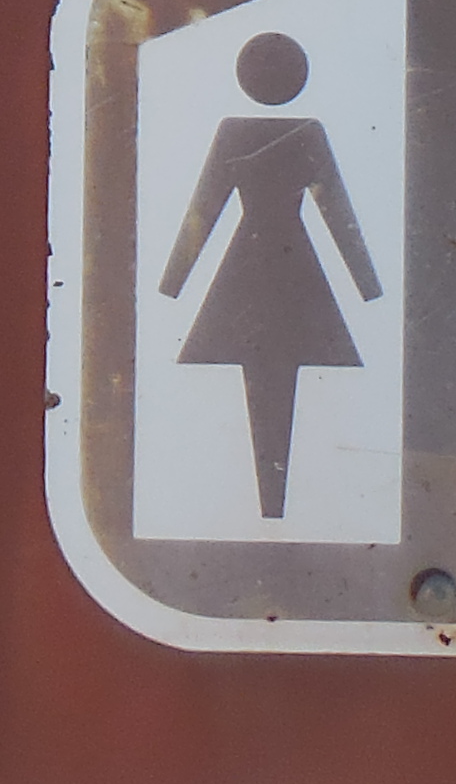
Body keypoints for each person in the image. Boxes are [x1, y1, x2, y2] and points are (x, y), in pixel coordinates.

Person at [157, 30, 385, 520]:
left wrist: (369, 288)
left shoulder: (276, 133)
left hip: (268, 267)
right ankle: (271, 507)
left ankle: (273, 506)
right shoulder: (288, 132)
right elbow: (206, 207)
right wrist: (171, 284)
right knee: (269, 372)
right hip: (281, 267)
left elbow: (333, 208)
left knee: (271, 372)